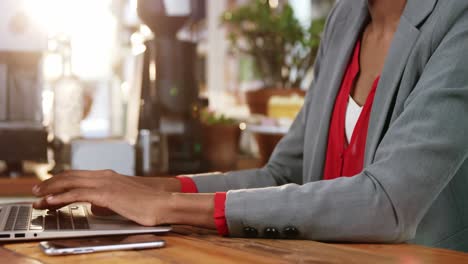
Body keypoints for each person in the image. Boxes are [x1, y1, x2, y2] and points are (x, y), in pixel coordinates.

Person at [33, 0, 468, 252]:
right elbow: (283, 176)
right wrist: (153, 190)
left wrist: (168, 210)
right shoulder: (346, 18)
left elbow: (388, 204)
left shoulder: (457, 22)